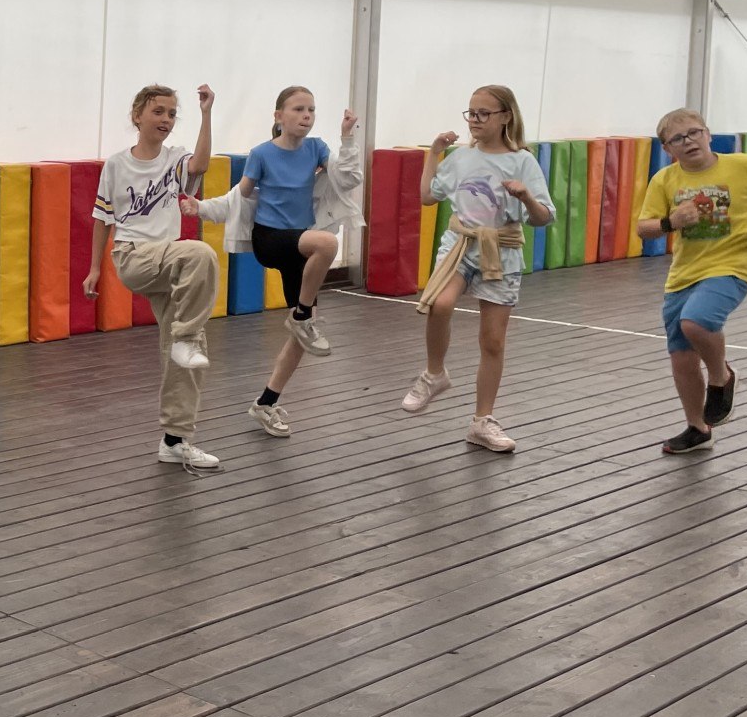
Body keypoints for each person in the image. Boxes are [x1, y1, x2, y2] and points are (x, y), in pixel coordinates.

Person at [189, 87, 362, 438]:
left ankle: (266, 402)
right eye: (298, 109)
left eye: (311, 109)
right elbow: (239, 197)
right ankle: (302, 316)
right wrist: (202, 208)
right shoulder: (262, 154)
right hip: (270, 240)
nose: (306, 115)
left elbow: (348, 179)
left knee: (303, 338)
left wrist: (346, 138)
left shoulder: (316, 149)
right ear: (279, 116)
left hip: (300, 242)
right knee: (328, 243)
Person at [401, 84, 557, 452]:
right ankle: (434, 373)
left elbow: (543, 217)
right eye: (471, 113)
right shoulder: (460, 157)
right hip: (460, 243)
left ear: (505, 117)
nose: (474, 120)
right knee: (439, 303)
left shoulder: (522, 161)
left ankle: (482, 420)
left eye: (483, 113)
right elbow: (427, 196)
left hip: (501, 250)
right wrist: (434, 154)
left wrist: (525, 196)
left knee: (493, 340)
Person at [638, 108, 747, 454]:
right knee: (681, 358)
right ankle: (698, 428)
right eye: (677, 138)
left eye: (694, 133)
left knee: (697, 321)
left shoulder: (742, 165)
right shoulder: (664, 180)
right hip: (683, 274)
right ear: (667, 148)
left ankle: (721, 377)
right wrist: (671, 222)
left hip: (733, 265)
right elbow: (644, 227)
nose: (688, 141)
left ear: (708, 134)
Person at [85, 83, 222, 469]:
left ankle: (175, 440)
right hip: (133, 257)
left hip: (169, 261)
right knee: (201, 253)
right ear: (138, 116)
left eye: (172, 114)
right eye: (158, 111)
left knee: (190, 352)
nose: (166, 119)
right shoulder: (116, 164)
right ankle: (185, 337)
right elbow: (102, 218)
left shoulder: (175, 159)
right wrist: (94, 269)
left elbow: (200, 165)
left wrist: (207, 113)